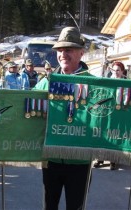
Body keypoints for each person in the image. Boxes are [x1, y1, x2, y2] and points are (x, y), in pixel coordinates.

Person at [35, 26, 92, 210]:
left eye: (69, 50)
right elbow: (27, 105)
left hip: (80, 160)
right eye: (60, 50)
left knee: (75, 207)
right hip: (51, 158)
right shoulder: (46, 81)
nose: (63, 54)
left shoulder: (94, 83)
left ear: (81, 53)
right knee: (49, 206)